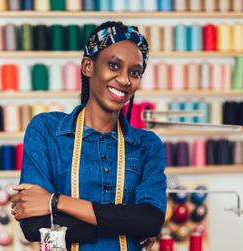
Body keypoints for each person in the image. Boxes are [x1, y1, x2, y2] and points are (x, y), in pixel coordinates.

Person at [10, 21, 166, 251]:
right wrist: (127, 224)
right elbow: (34, 225)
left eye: (135, 72)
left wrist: (56, 202)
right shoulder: (46, 131)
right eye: (114, 66)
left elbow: (150, 220)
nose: (125, 80)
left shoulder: (147, 145)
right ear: (88, 67)